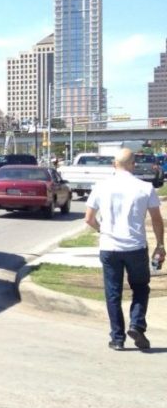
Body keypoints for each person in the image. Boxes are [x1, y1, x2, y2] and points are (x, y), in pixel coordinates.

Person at [84, 148, 165, 351]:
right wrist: (160, 245)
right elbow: (156, 219)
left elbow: (89, 218)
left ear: (114, 165)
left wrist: (103, 230)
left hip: (109, 247)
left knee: (113, 293)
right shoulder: (145, 188)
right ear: (133, 165)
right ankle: (136, 324)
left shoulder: (101, 187)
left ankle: (117, 338)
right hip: (135, 247)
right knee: (140, 287)